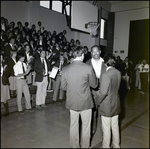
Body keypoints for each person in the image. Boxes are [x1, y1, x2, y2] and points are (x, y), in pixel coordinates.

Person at [61, 46, 97, 148]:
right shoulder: (88, 68)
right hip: (85, 102)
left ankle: (74, 146)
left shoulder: (65, 69)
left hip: (72, 101)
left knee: (73, 126)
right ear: (82, 55)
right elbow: (94, 85)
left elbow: (63, 87)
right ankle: (85, 146)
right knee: (86, 127)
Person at [96, 53, 121, 148]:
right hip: (116, 103)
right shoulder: (118, 73)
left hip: (107, 106)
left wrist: (96, 102)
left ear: (105, 63)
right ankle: (116, 146)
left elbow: (103, 93)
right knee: (115, 127)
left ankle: (106, 146)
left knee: (106, 128)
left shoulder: (106, 75)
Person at [86, 45, 107, 137]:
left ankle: (104, 132)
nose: (95, 53)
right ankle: (93, 129)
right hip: (92, 91)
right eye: (93, 52)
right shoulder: (87, 63)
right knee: (93, 111)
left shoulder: (105, 63)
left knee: (104, 112)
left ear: (100, 52)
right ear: (91, 53)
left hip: (103, 90)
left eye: (97, 51)